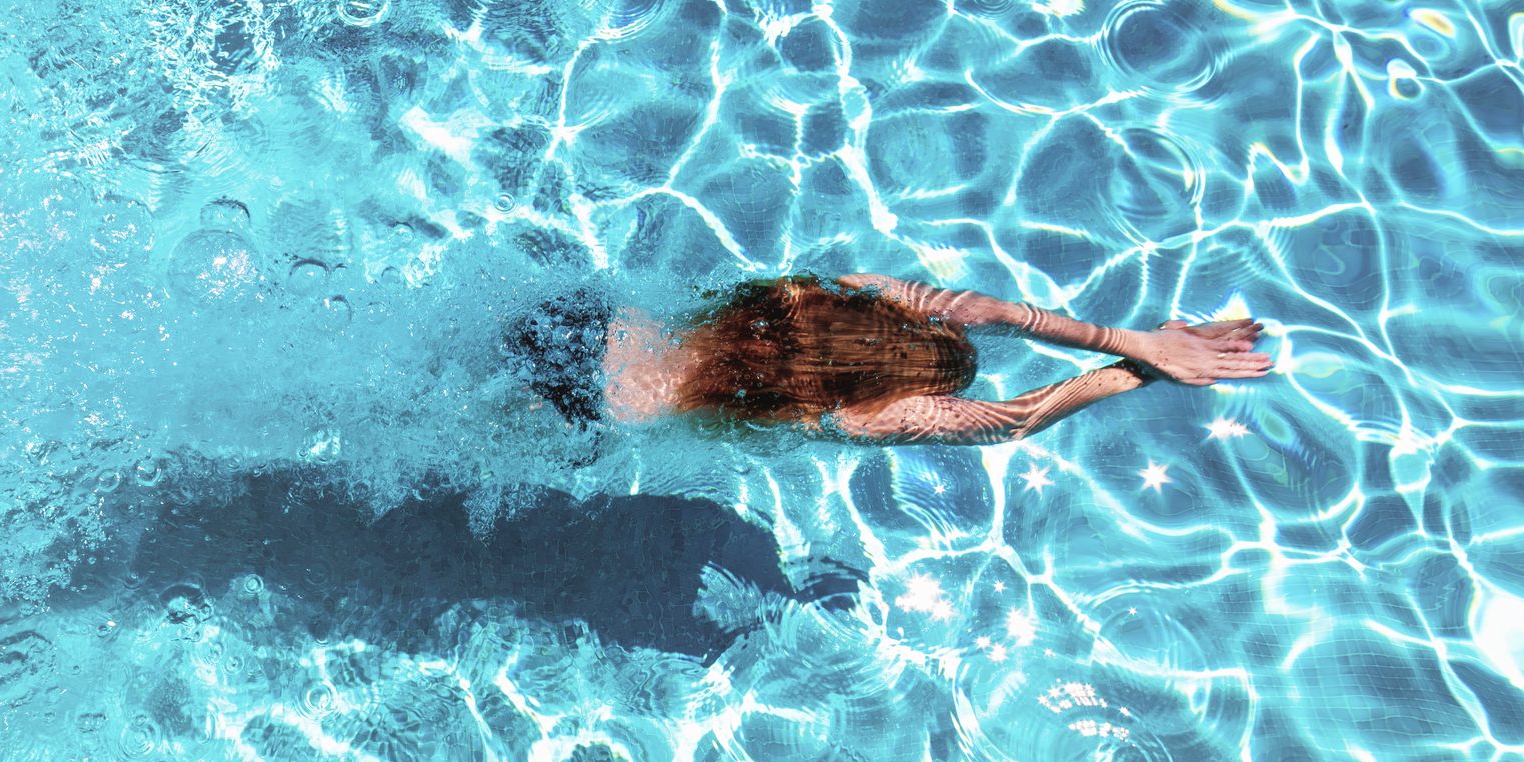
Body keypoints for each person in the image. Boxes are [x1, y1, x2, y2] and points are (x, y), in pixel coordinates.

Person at [503, 274, 1269, 444]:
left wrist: (1133, 335)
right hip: (602, 411)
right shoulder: (861, 414)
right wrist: (1135, 367)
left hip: (598, 326)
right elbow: (1011, 421)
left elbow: (976, 313)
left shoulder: (841, 294)